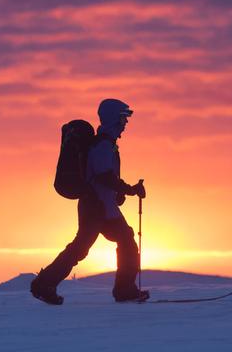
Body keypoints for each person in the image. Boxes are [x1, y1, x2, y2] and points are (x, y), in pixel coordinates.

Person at [30, 98, 148, 304]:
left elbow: (104, 176)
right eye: (122, 119)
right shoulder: (103, 145)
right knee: (99, 245)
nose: (125, 124)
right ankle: (123, 289)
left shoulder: (106, 144)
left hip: (98, 206)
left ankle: (45, 284)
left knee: (92, 246)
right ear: (112, 119)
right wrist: (128, 189)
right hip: (97, 207)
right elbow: (103, 176)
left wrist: (120, 192)